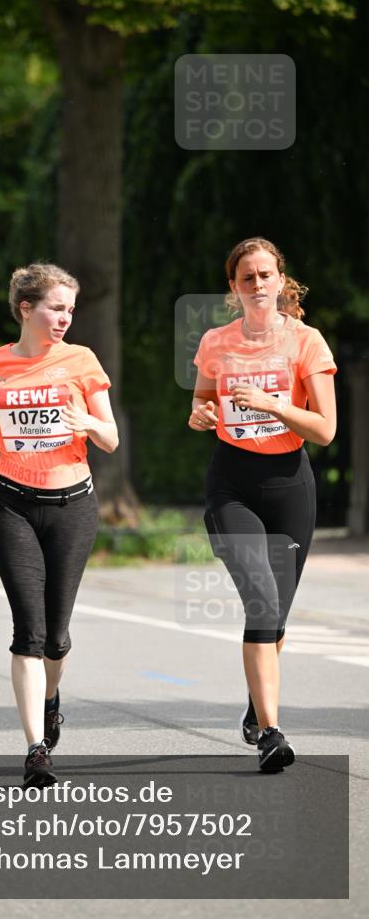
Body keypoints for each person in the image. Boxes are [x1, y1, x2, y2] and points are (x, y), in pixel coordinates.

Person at [0, 263, 119, 787]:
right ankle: (36, 750)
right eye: (57, 307)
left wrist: (89, 423)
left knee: (56, 637)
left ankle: (51, 699)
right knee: (27, 632)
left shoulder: (81, 361)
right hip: (10, 503)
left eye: (71, 310)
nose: (65, 318)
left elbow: (111, 438)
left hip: (72, 504)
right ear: (26, 308)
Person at [190, 237, 337, 772]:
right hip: (232, 483)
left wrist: (276, 404)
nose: (256, 285)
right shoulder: (215, 342)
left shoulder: (307, 342)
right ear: (233, 286)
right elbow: (202, 402)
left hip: (289, 486)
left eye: (265, 275)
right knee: (261, 600)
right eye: (246, 277)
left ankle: (257, 707)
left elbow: (324, 429)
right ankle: (272, 733)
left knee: (276, 617)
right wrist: (200, 416)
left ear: (280, 280)